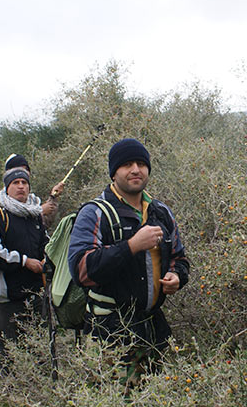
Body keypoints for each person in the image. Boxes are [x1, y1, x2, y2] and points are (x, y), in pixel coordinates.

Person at [68, 139, 190, 386]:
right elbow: (82, 270)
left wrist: (177, 277)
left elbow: (179, 257)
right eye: (127, 164)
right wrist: (131, 246)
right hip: (110, 333)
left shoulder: (161, 212)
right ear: (114, 172)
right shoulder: (95, 213)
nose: (136, 169)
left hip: (153, 329)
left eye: (141, 164)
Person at [0, 165, 48, 364]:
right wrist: (24, 261)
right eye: (15, 183)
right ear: (7, 187)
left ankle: (41, 390)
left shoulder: (35, 213)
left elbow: (43, 241)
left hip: (37, 292)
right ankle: (11, 392)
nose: (21, 187)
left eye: (24, 183)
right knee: (11, 351)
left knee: (39, 346)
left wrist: (46, 257)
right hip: (9, 296)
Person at [3, 153, 64, 227]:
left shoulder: (32, 201)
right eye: (16, 182)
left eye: (26, 169)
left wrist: (53, 196)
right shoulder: (1, 207)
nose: (23, 173)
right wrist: (40, 211)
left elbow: (44, 224)